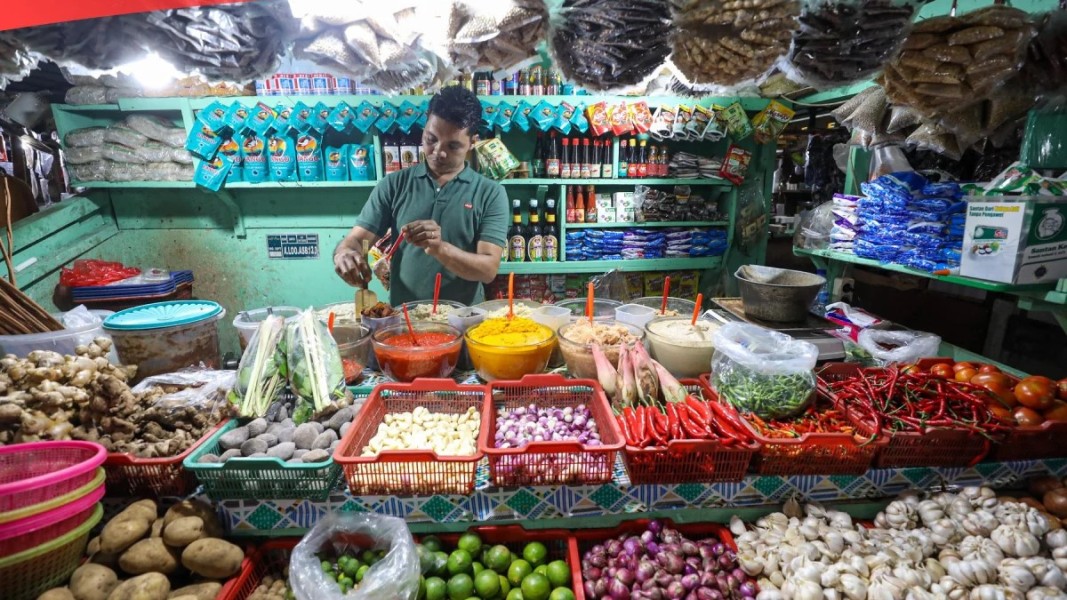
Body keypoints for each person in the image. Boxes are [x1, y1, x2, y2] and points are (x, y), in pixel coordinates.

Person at [333, 87, 508, 306]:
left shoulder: (490, 193)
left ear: (473, 142)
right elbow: (358, 240)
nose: (438, 152)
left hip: (464, 322)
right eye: (431, 139)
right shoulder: (394, 185)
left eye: (453, 145)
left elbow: (488, 270)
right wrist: (345, 253)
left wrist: (440, 249)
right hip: (404, 320)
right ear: (424, 128)